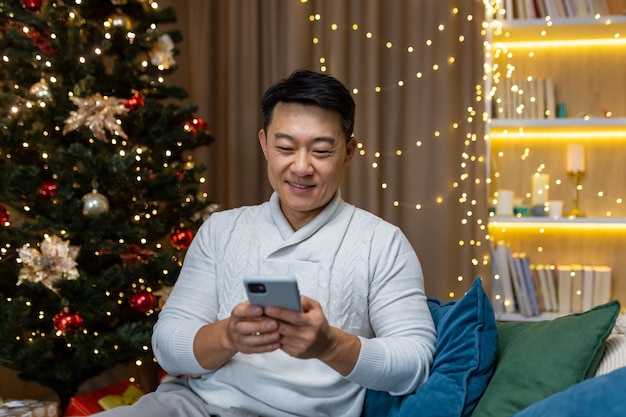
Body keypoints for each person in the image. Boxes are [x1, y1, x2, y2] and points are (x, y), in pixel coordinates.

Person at [94, 69, 436, 417]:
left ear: (348, 152)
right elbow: (167, 346)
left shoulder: (381, 243)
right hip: (194, 406)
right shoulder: (222, 230)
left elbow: (414, 362)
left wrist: (330, 344)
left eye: (321, 151)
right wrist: (228, 336)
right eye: (285, 147)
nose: (301, 167)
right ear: (264, 144)